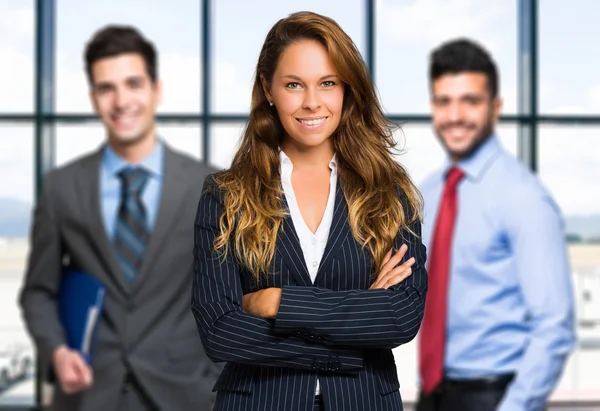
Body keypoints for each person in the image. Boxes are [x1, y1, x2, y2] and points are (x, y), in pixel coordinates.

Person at [191, 11, 427, 411]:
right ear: (268, 88)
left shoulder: (389, 193)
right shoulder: (225, 195)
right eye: (294, 85)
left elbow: (400, 316)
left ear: (346, 91)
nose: (312, 102)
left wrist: (278, 303)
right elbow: (221, 332)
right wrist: (353, 324)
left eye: (328, 83)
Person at [19, 25, 220, 411]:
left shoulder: (207, 186)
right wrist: (59, 352)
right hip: (88, 395)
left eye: (133, 83)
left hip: (184, 395)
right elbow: (38, 291)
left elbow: (231, 297)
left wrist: (216, 381)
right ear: (94, 98)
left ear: (156, 89)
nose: (121, 100)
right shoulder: (62, 188)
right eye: (106, 88)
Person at [416, 38, 576, 411]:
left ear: (496, 108)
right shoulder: (429, 194)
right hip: (433, 394)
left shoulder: (524, 197)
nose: (455, 115)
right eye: (444, 101)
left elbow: (555, 325)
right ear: (432, 108)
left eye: (470, 101)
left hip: (495, 396)